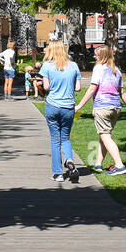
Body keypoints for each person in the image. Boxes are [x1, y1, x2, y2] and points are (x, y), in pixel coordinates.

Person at [75, 44, 126, 175]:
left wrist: (79, 106)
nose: (94, 56)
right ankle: (98, 164)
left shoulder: (98, 68)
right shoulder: (116, 70)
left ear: (102, 56)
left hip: (102, 107)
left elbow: (92, 88)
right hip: (116, 108)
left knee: (105, 136)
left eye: (96, 55)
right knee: (104, 136)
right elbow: (122, 92)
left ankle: (119, 165)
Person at [38, 39, 82, 184]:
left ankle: (58, 173)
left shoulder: (47, 66)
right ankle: (69, 159)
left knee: (55, 140)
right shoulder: (74, 66)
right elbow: (78, 88)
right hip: (68, 106)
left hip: (52, 105)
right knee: (66, 138)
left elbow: (46, 87)